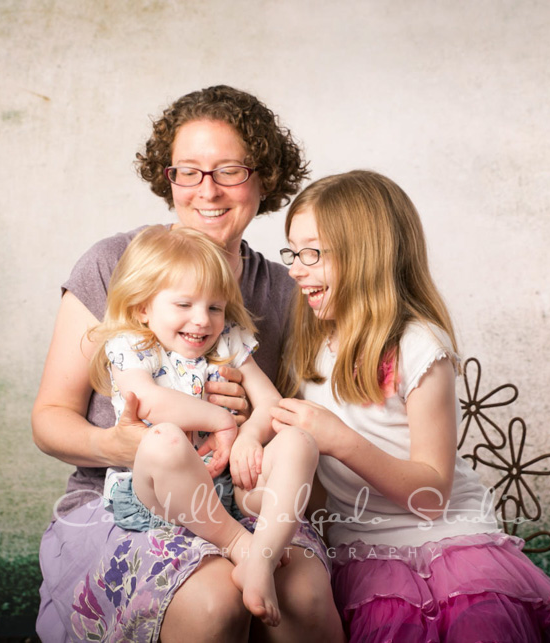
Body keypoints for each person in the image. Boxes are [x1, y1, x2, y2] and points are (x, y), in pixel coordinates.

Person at [32, 85, 343, 642]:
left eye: (229, 170)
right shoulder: (113, 265)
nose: (208, 190)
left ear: (264, 176)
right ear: (166, 176)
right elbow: (50, 419)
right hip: (131, 494)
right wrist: (120, 443)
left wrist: (251, 426)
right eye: (188, 171)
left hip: (240, 491)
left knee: (303, 593)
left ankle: (252, 554)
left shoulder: (285, 289)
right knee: (212, 603)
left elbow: (305, 438)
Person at [270, 170, 550, 642]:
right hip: (365, 551)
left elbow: (430, 499)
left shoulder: (419, 346)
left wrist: (340, 440)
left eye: (312, 253)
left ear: (367, 254)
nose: (295, 268)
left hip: (448, 540)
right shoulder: (310, 345)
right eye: (293, 252)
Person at [88, 225, 320, 628]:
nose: (203, 320)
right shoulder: (131, 344)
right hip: (161, 499)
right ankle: (236, 543)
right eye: (184, 304)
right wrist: (222, 421)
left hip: (227, 490)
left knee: (298, 440)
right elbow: (151, 401)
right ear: (143, 307)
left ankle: (261, 557)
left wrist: (248, 435)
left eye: (215, 307)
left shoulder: (226, 338)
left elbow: (269, 403)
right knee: (165, 440)